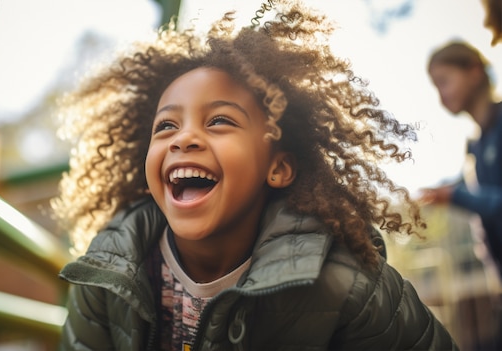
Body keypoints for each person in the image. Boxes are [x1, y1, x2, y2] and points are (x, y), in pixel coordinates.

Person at [53, 1, 457, 349]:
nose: (185, 138)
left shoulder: (345, 283)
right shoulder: (106, 277)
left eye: (220, 121)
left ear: (277, 167)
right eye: (166, 126)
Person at [420, 41, 502, 276]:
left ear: (474, 72)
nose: (441, 96)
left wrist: (455, 196)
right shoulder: (476, 144)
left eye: (444, 82)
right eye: (436, 87)